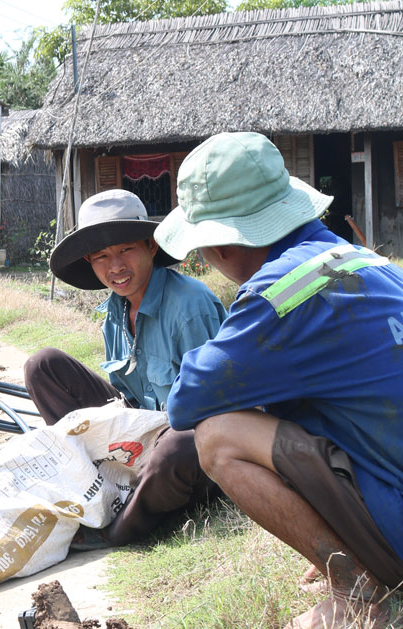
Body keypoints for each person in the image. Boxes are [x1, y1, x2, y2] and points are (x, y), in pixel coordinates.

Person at [155, 132, 403, 629]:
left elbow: (186, 403)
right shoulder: (369, 263)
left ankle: (355, 590)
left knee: (219, 434)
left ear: (219, 244)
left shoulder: (280, 295)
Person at [24, 189, 227, 548]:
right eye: (101, 256)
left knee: (178, 446)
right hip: (142, 437)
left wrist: (154, 442)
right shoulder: (114, 313)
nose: (115, 267)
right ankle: (97, 490)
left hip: (195, 452)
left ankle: (119, 529)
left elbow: (216, 410)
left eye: (125, 250)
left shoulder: (190, 305)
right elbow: (126, 397)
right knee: (44, 365)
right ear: (89, 261)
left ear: (150, 246)